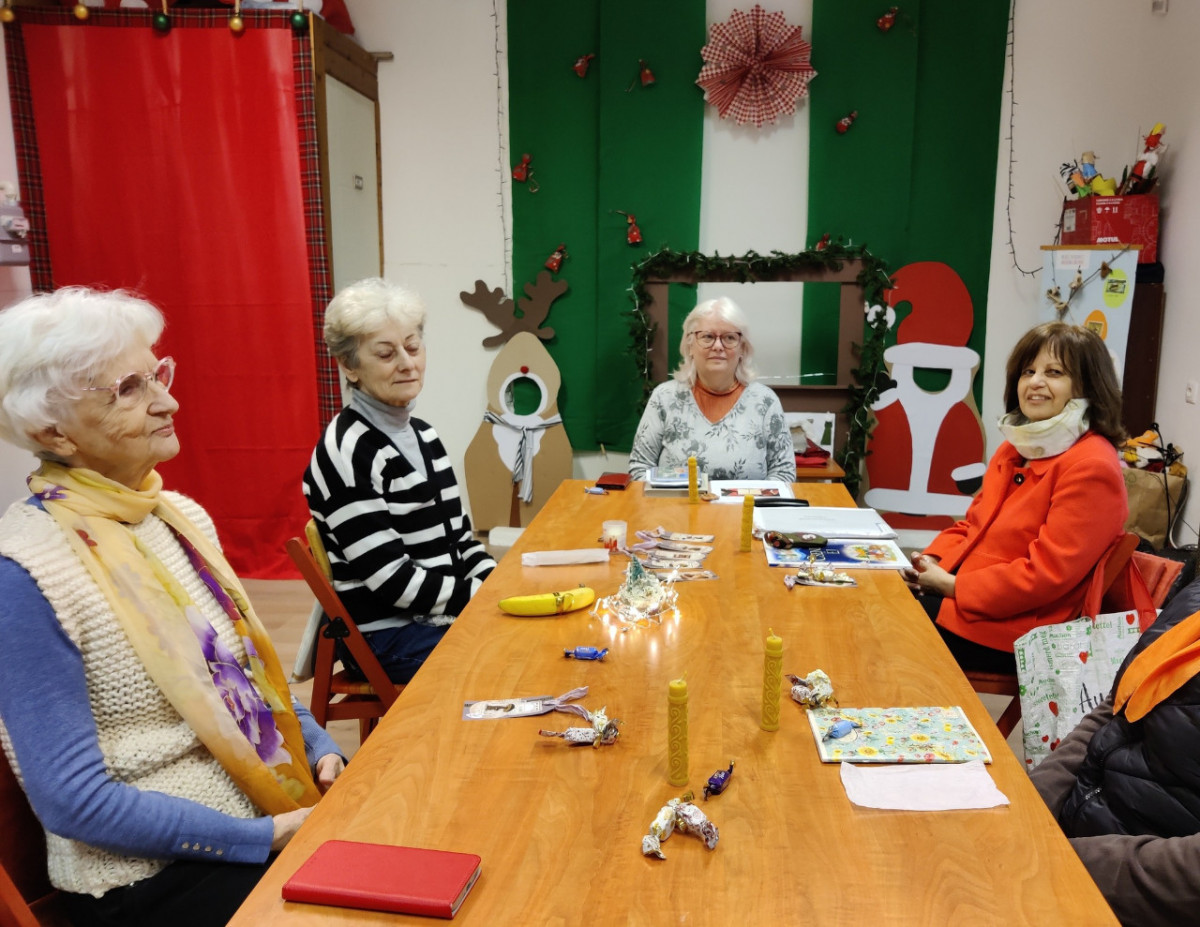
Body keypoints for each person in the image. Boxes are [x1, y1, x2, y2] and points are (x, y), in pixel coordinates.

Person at [0, 288, 344, 927]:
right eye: (129, 389)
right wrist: (263, 837)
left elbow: (247, 681)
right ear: (53, 431)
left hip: (264, 815)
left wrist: (322, 747)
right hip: (145, 879)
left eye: (158, 374)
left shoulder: (178, 517)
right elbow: (73, 802)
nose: (168, 401)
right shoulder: (25, 570)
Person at [904, 321, 1128, 671]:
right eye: (1028, 371)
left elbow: (1045, 576)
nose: (1035, 382)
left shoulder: (1092, 465)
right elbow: (972, 526)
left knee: (887, 620)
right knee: (879, 596)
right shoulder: (1015, 448)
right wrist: (930, 561)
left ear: (1088, 386)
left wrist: (953, 587)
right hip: (975, 604)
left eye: (1054, 372)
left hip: (1023, 632)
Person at [303, 278, 495, 684]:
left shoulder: (424, 435)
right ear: (349, 366)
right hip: (387, 637)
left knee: (536, 634)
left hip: (438, 616)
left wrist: (495, 582)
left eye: (413, 346)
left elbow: (461, 541)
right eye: (386, 353)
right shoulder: (346, 451)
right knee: (519, 655)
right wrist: (482, 597)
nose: (407, 363)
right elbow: (392, 580)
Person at [1030, 574, 1200, 927]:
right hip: (1074, 845)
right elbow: (1117, 707)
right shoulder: (1195, 599)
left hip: (1136, 892)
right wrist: (1030, 807)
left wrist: (1052, 860)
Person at [627, 296, 796, 483]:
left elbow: (784, 473)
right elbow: (640, 468)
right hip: (676, 503)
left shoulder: (765, 401)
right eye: (707, 336)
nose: (717, 346)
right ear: (690, 345)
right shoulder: (664, 398)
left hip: (747, 503)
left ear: (742, 348)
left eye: (729, 338)